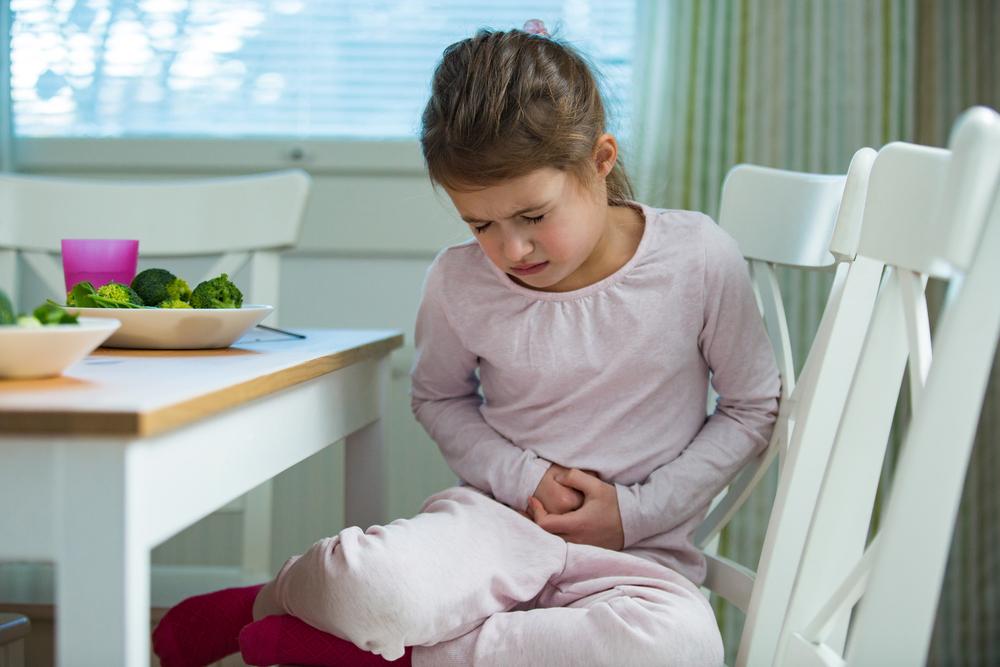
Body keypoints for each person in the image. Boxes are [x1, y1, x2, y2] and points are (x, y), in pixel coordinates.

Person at [153, 20, 779, 667]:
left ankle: (393, 656)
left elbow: (752, 405)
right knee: (367, 582)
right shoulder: (459, 280)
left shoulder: (697, 257)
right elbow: (438, 396)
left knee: (685, 646)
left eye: (533, 216)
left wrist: (635, 511)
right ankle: (271, 598)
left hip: (636, 557)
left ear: (601, 160)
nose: (511, 249)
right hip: (493, 530)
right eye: (481, 223)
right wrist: (525, 475)